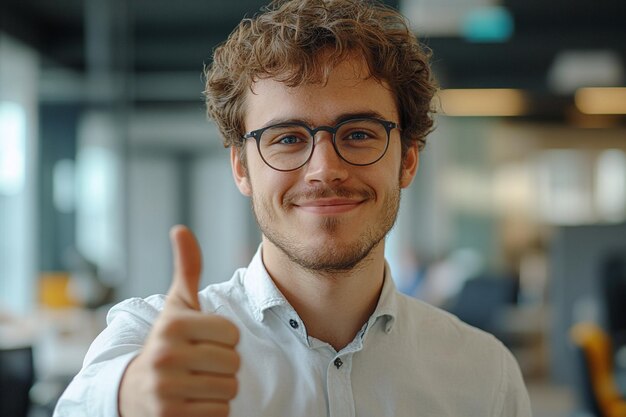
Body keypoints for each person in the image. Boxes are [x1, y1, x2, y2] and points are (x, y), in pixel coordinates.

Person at [54, 0, 531, 416]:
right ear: (242, 168)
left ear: (407, 160)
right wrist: (134, 396)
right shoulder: (153, 339)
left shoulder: (484, 372)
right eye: (286, 138)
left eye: (359, 134)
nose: (324, 168)